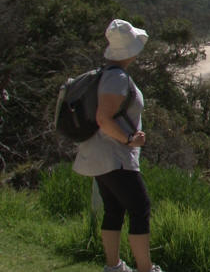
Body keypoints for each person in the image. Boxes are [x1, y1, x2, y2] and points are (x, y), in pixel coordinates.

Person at [73, 19, 163, 272]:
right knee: (140, 208)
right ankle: (145, 268)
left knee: (113, 210)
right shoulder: (116, 78)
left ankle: (114, 266)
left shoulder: (107, 74)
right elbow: (104, 118)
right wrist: (128, 140)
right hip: (116, 155)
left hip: (101, 155)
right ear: (131, 50)